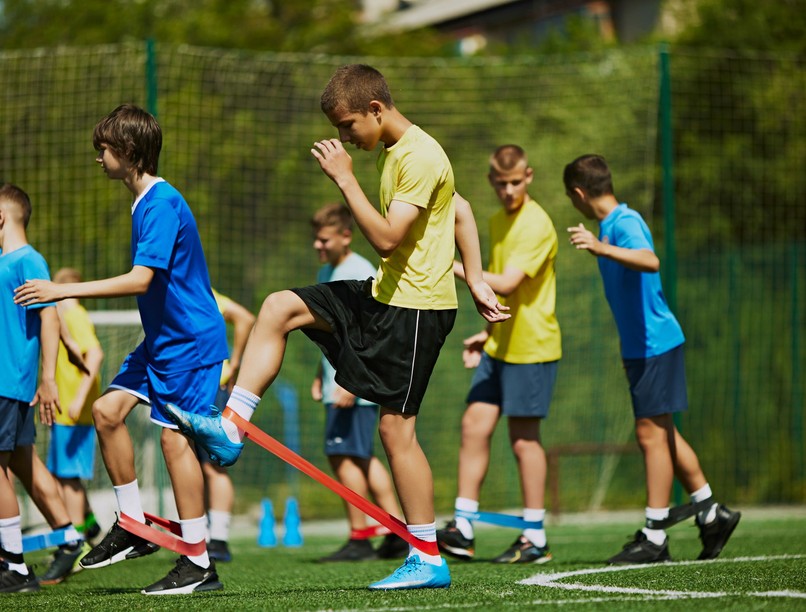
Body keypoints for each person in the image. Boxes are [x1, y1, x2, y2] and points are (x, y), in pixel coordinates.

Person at [164, 63, 509, 591]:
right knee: (279, 306)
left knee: (396, 431)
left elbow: (390, 239)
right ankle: (233, 424)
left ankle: (427, 556)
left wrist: (346, 178)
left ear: (376, 109)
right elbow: (459, 209)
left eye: (348, 126)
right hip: (384, 294)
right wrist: (479, 280)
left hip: (417, 310)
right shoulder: (399, 151)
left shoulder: (418, 155)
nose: (345, 137)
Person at [14, 104, 229, 595]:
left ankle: (199, 562)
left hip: (190, 343)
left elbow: (140, 279)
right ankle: (133, 524)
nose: (99, 158)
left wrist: (63, 289)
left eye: (103, 150)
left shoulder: (160, 202)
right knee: (108, 411)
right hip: (160, 344)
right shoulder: (143, 203)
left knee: (175, 441)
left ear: (128, 153)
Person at [563, 154, 740, 564]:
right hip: (644, 347)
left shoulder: (623, 223)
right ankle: (712, 514)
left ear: (578, 193)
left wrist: (601, 248)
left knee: (650, 434)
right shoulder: (609, 227)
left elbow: (650, 260)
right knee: (665, 434)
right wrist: (601, 246)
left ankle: (655, 536)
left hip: (654, 345)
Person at [437, 145, 561, 565]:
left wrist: (453, 265)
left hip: (532, 347)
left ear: (529, 176)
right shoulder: (494, 220)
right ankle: (464, 529)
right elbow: (496, 293)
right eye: (500, 183)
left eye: (515, 182)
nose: (508, 190)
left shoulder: (537, 224)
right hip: (501, 344)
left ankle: (535, 536)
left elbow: (506, 283)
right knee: (474, 424)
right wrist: (486, 333)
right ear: (491, 180)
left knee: (524, 440)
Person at [309, 202, 408, 562]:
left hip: (353, 383)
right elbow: (331, 330)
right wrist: (320, 375)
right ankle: (398, 529)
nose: (318, 247)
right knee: (359, 457)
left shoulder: (360, 270)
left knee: (343, 455)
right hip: (339, 380)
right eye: (316, 241)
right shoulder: (326, 271)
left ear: (346, 236)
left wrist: (350, 383)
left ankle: (362, 535)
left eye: (324, 240)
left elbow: (369, 332)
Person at [0, 183, 83, 592]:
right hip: (9, 383)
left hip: (6, 381)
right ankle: (67, 537)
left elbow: (49, 318)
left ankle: (13, 567)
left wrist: (48, 377)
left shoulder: (27, 260)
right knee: (21, 462)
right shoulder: (6, 261)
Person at [48, 267, 104, 549]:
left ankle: (76, 543)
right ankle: (88, 522)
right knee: (63, 474)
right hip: (66, 411)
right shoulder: (70, 316)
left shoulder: (73, 315)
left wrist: (80, 398)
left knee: (68, 478)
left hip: (73, 412)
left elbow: (95, 353)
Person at [201, 287, 256, 562]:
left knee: (213, 467)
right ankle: (202, 536)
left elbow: (245, 318)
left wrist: (234, 365)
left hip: (210, 388)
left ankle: (219, 540)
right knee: (193, 463)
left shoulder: (201, 290)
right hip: (189, 388)